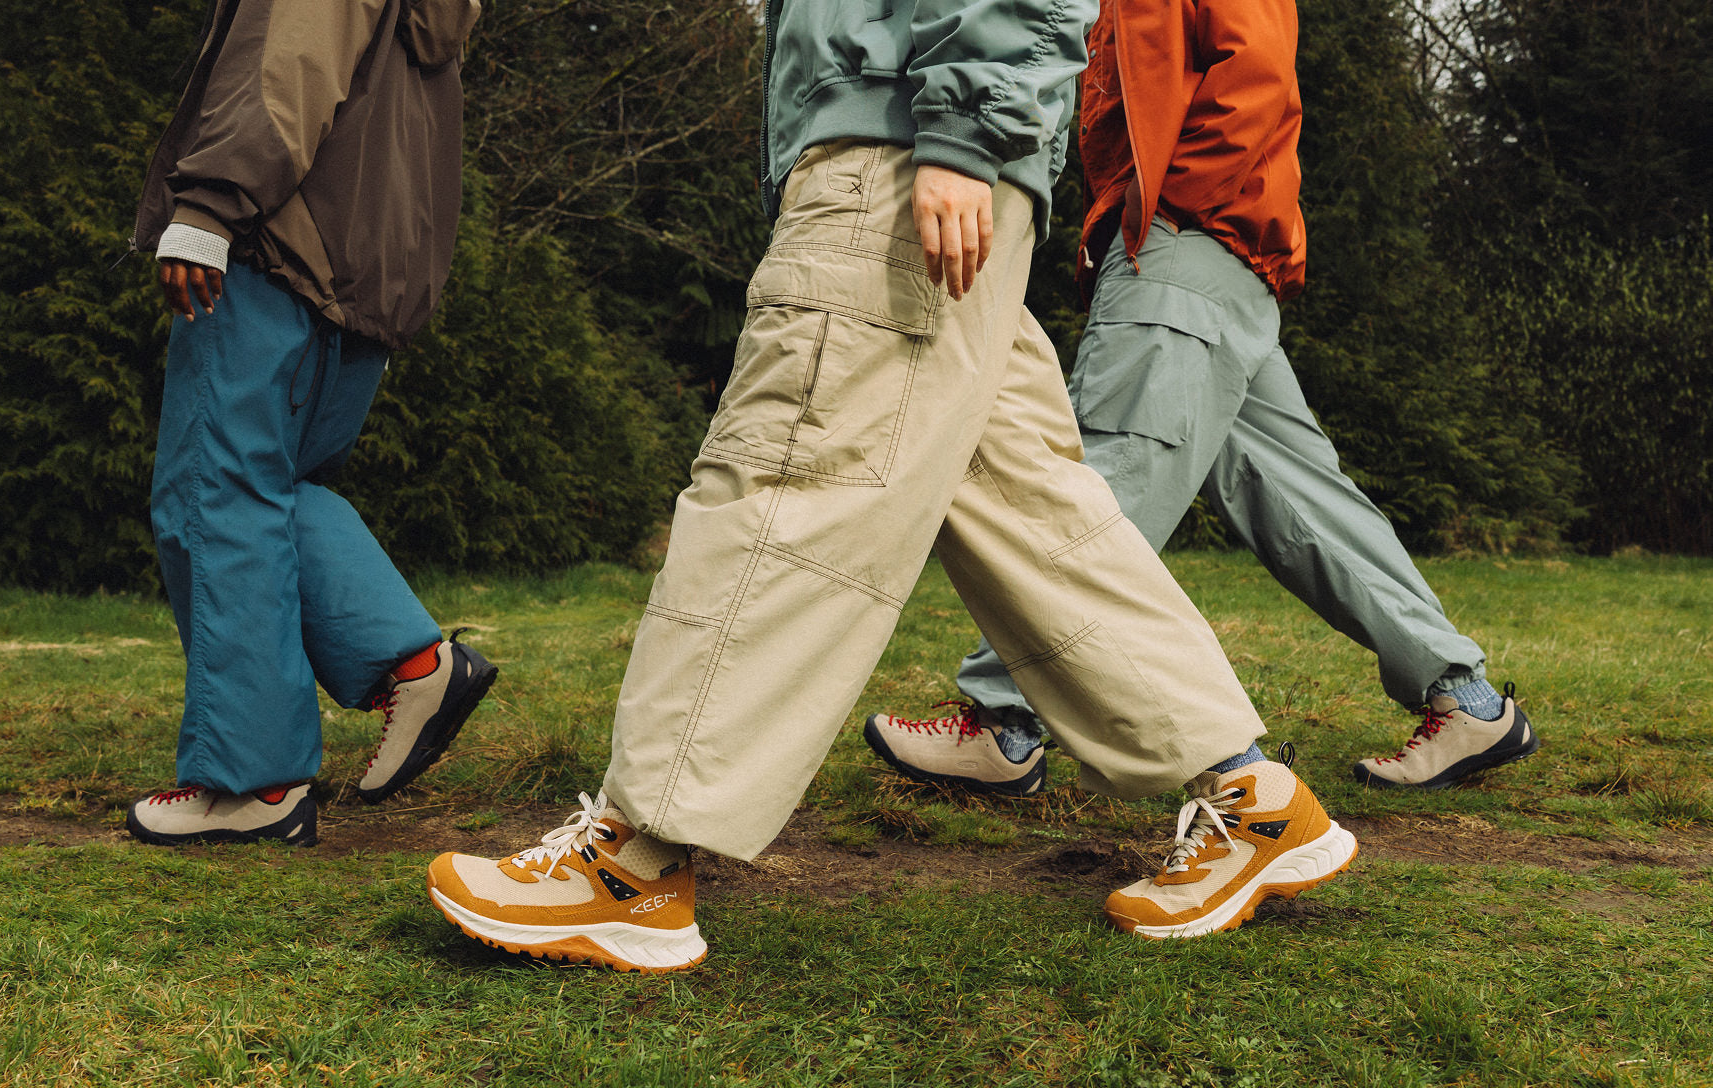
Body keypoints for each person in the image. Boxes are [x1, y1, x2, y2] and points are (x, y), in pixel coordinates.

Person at [423, 0, 1355, 973]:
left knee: (786, 481)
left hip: (905, 147)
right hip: (928, 138)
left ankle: (632, 862)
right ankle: (1252, 799)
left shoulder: (941, 131)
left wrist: (963, 130)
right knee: (1027, 510)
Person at [864, 0, 1538, 799]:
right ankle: (1465, 699)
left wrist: (1171, 206)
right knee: (1301, 499)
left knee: (1100, 477)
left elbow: (1254, 80)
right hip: (1209, 252)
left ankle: (1001, 722)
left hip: (1185, 242)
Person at [123, 0, 496, 848]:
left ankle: (251, 782)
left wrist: (211, 203)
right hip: (361, 271)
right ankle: (413, 665)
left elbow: (288, 62)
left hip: (278, 244)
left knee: (216, 493)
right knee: (274, 485)